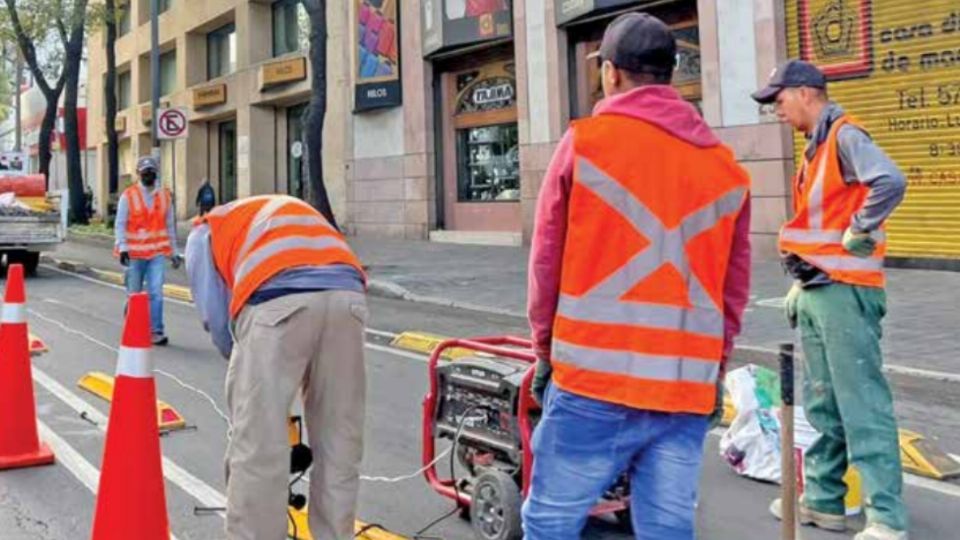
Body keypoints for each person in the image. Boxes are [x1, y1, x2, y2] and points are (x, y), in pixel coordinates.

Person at [523, 13, 752, 540]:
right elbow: (732, 290)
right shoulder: (724, 168)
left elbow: (546, 262)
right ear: (669, 75)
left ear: (610, 73)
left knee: (552, 520)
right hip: (684, 387)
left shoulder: (586, 144)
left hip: (593, 380)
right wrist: (715, 369)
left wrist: (543, 351)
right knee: (665, 527)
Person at [753, 60, 908, 540]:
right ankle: (824, 501)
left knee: (861, 403)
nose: (776, 110)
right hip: (822, 287)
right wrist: (802, 281)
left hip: (846, 292)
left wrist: (861, 229)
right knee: (824, 402)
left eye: (779, 100)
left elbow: (890, 180)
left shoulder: (844, 135)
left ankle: (886, 517)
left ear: (805, 93)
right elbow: (816, 224)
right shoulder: (814, 147)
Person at [184, 194, 367, 540]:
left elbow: (214, 315)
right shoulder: (268, 214)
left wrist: (241, 362)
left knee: (259, 445)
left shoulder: (203, 232)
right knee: (339, 439)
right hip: (348, 297)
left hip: (277, 297)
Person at [114, 156, 181, 346]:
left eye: (151, 171)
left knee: (156, 293)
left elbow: (169, 227)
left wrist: (174, 252)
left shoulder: (165, 197)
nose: (148, 175)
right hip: (134, 255)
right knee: (134, 294)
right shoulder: (128, 196)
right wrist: (123, 247)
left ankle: (156, 331)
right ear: (139, 174)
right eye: (145, 172)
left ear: (156, 173)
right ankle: (132, 324)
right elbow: (120, 224)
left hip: (156, 254)